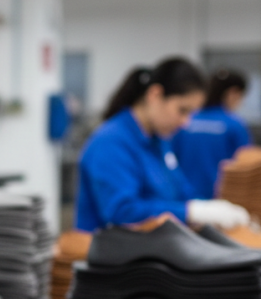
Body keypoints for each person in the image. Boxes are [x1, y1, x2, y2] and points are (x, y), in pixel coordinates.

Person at [75, 57, 250, 232]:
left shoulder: (159, 142)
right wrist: (191, 212)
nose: (185, 123)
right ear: (155, 95)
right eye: (182, 110)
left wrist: (208, 207)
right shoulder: (111, 143)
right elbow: (122, 212)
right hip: (110, 255)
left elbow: (180, 191)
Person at [172, 69, 253, 199]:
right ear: (233, 93)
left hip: (183, 199)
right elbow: (247, 167)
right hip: (221, 199)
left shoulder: (185, 121)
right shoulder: (234, 125)